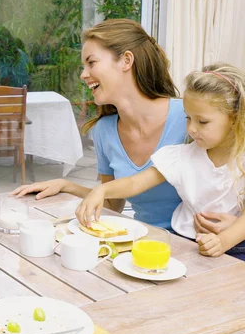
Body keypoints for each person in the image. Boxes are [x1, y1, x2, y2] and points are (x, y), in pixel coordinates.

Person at [76, 62, 245, 334]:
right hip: (186, 248)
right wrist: (104, 191)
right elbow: (138, 182)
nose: (191, 129)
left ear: (234, 119)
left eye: (202, 121)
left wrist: (224, 240)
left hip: (233, 248)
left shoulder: (242, 158)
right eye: (188, 119)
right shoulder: (183, 156)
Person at [12, 19, 185, 231]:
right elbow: (113, 204)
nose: (83, 74)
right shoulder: (104, 131)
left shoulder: (189, 118)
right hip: (147, 244)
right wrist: (65, 185)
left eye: (91, 63)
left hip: (200, 246)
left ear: (126, 61)